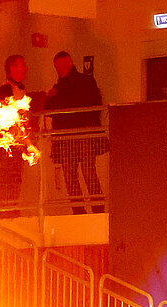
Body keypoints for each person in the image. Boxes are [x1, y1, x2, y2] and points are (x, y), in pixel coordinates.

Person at [44, 52, 105, 215]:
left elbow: (90, 104)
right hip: (70, 135)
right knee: (75, 175)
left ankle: (93, 209)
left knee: (85, 172)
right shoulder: (75, 84)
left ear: (69, 63)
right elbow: (49, 109)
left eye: (60, 65)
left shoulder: (77, 84)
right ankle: (89, 210)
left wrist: (56, 98)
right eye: (56, 66)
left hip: (79, 134)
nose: (58, 69)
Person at [0, 55, 31, 206]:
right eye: (22, 65)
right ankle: (6, 208)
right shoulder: (6, 88)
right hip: (9, 142)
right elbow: (4, 114)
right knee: (9, 175)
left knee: (15, 176)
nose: (26, 68)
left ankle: (10, 206)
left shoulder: (18, 89)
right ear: (12, 68)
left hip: (17, 141)